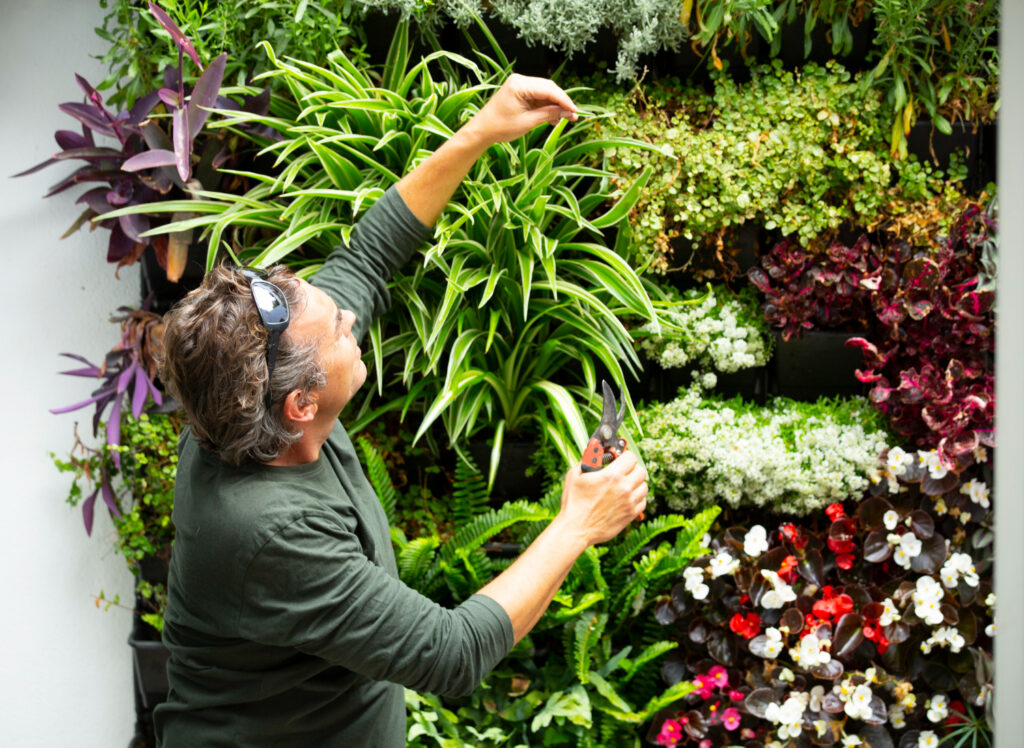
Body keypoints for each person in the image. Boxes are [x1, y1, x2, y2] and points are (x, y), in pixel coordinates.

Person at [154, 73, 649, 747]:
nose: (352, 317)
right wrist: (578, 524)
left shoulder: (241, 397)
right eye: (337, 330)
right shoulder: (266, 534)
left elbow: (368, 257)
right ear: (301, 403)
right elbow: (452, 652)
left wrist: (480, 131)